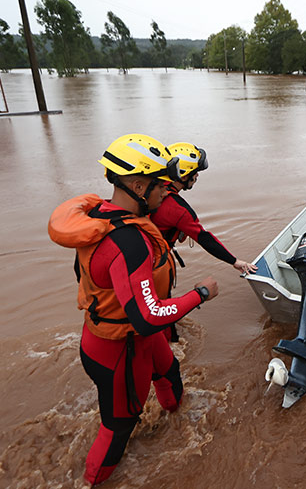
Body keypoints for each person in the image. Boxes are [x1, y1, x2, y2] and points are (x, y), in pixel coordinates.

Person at [48, 133, 220, 486]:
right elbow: (147, 317)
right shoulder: (129, 242)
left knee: (170, 373)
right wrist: (199, 294)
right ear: (139, 185)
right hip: (118, 349)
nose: (166, 193)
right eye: (161, 187)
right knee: (119, 426)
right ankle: (93, 481)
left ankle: (176, 421)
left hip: (125, 337)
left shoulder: (101, 215)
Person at [150, 142, 257, 276]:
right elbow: (204, 238)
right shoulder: (179, 210)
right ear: (183, 176)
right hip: (154, 264)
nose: (197, 176)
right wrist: (234, 261)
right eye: (195, 172)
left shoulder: (148, 189)